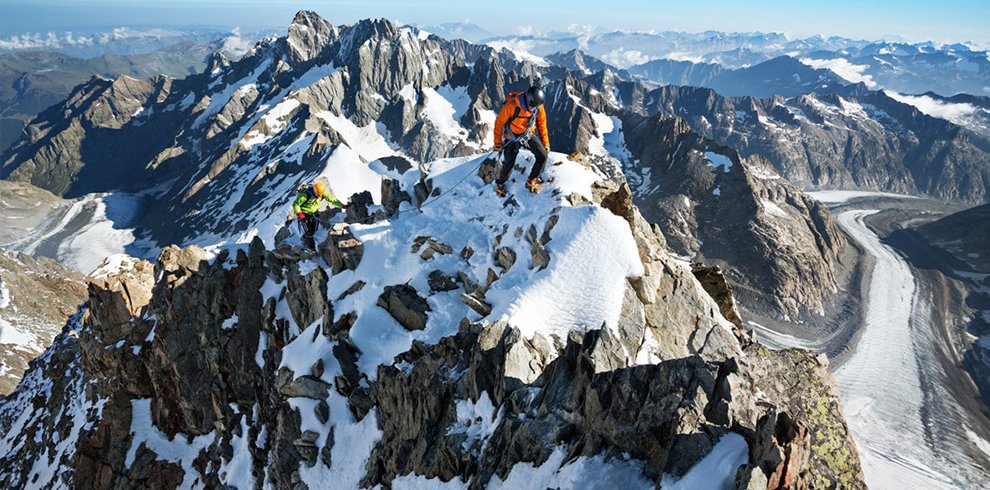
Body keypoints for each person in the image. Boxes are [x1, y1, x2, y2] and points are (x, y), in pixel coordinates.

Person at [493, 85, 550, 196]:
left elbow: (542, 125)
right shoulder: (511, 106)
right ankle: (500, 184)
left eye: (536, 106)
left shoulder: (539, 107)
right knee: (509, 162)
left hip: (527, 135)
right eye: (532, 105)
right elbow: (499, 123)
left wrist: (545, 143)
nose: (533, 108)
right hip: (511, 137)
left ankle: (532, 179)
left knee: (542, 155)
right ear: (527, 100)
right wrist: (498, 143)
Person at [291, 179, 344, 249]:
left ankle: (305, 238)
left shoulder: (321, 193)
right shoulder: (305, 195)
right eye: (318, 194)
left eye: (320, 194)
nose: (319, 196)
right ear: (314, 191)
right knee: (309, 233)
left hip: (313, 213)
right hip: (304, 214)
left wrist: (342, 205)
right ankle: (312, 249)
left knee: (314, 230)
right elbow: (296, 204)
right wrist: (301, 215)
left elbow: (331, 199)